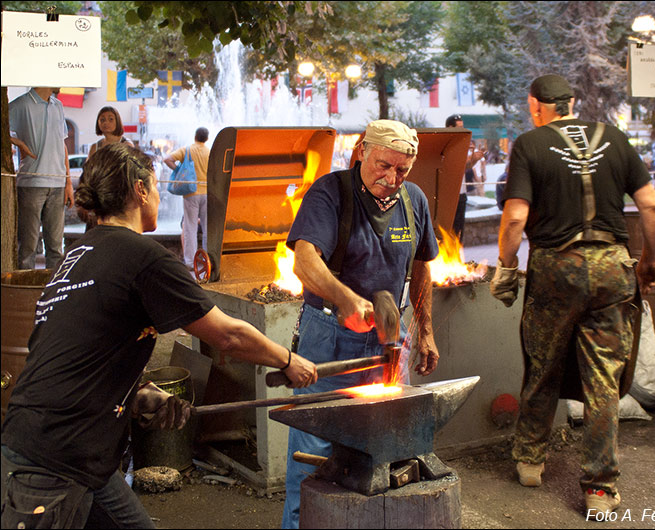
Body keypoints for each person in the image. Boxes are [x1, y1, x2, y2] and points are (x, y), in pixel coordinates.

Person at [0, 143, 317, 529]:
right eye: (154, 184)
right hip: (53, 462)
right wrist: (288, 360)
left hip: (77, 452)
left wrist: (137, 395)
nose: (158, 193)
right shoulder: (142, 257)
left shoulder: (79, 253)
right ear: (140, 190)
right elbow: (229, 336)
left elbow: (82, 353)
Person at [490, 74, 655, 518]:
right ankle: (600, 490)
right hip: (613, 269)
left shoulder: (530, 144)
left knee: (543, 362)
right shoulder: (617, 137)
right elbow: (651, 208)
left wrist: (507, 267)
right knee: (604, 380)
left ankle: (530, 461)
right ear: (573, 101)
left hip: (555, 269)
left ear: (536, 106)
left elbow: (514, 218)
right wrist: (649, 261)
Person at [281, 119, 441, 528]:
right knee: (313, 459)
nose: (391, 178)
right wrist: (346, 298)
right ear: (362, 152)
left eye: (401, 170)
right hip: (330, 337)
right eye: (384, 165)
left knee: (384, 452)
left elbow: (422, 267)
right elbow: (304, 258)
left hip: (389, 343)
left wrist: (424, 331)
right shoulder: (330, 192)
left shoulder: (414, 200)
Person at [9, 87, 74, 270]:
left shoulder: (58, 106)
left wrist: (68, 182)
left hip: (57, 183)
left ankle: (52, 293)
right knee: (27, 248)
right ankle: (25, 295)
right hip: (31, 183)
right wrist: (17, 142)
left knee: (55, 248)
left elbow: (62, 145)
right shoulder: (21, 104)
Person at [79, 107, 135, 231]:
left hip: (118, 199)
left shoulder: (126, 145)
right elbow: (87, 174)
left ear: (118, 121)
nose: (106, 123)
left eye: (111, 119)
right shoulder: (95, 147)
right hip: (98, 199)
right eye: (102, 119)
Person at [165, 127, 210, 269]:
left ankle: (190, 262)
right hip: (207, 192)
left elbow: (168, 159)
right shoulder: (210, 152)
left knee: (190, 228)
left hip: (191, 193)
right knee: (208, 228)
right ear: (206, 138)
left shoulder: (187, 150)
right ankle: (208, 259)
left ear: (195, 136)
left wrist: (178, 170)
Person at [446, 114, 484, 242]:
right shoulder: (446, 144)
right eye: (459, 127)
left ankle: (457, 256)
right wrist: (471, 159)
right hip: (449, 194)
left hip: (461, 193)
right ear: (450, 127)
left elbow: (464, 167)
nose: (462, 129)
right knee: (447, 230)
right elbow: (454, 164)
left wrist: (474, 159)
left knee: (459, 230)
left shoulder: (462, 142)